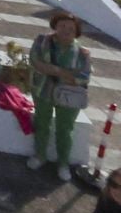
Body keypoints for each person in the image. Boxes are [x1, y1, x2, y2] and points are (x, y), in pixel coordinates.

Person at [27, 10, 92, 180]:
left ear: (76, 31)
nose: (66, 30)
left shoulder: (82, 53)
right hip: (43, 90)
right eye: (62, 25)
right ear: (55, 26)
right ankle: (40, 155)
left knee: (65, 129)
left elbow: (84, 77)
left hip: (68, 96)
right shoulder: (42, 42)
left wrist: (55, 71)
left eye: (71, 27)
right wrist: (64, 73)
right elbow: (35, 61)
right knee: (42, 123)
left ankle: (63, 163)